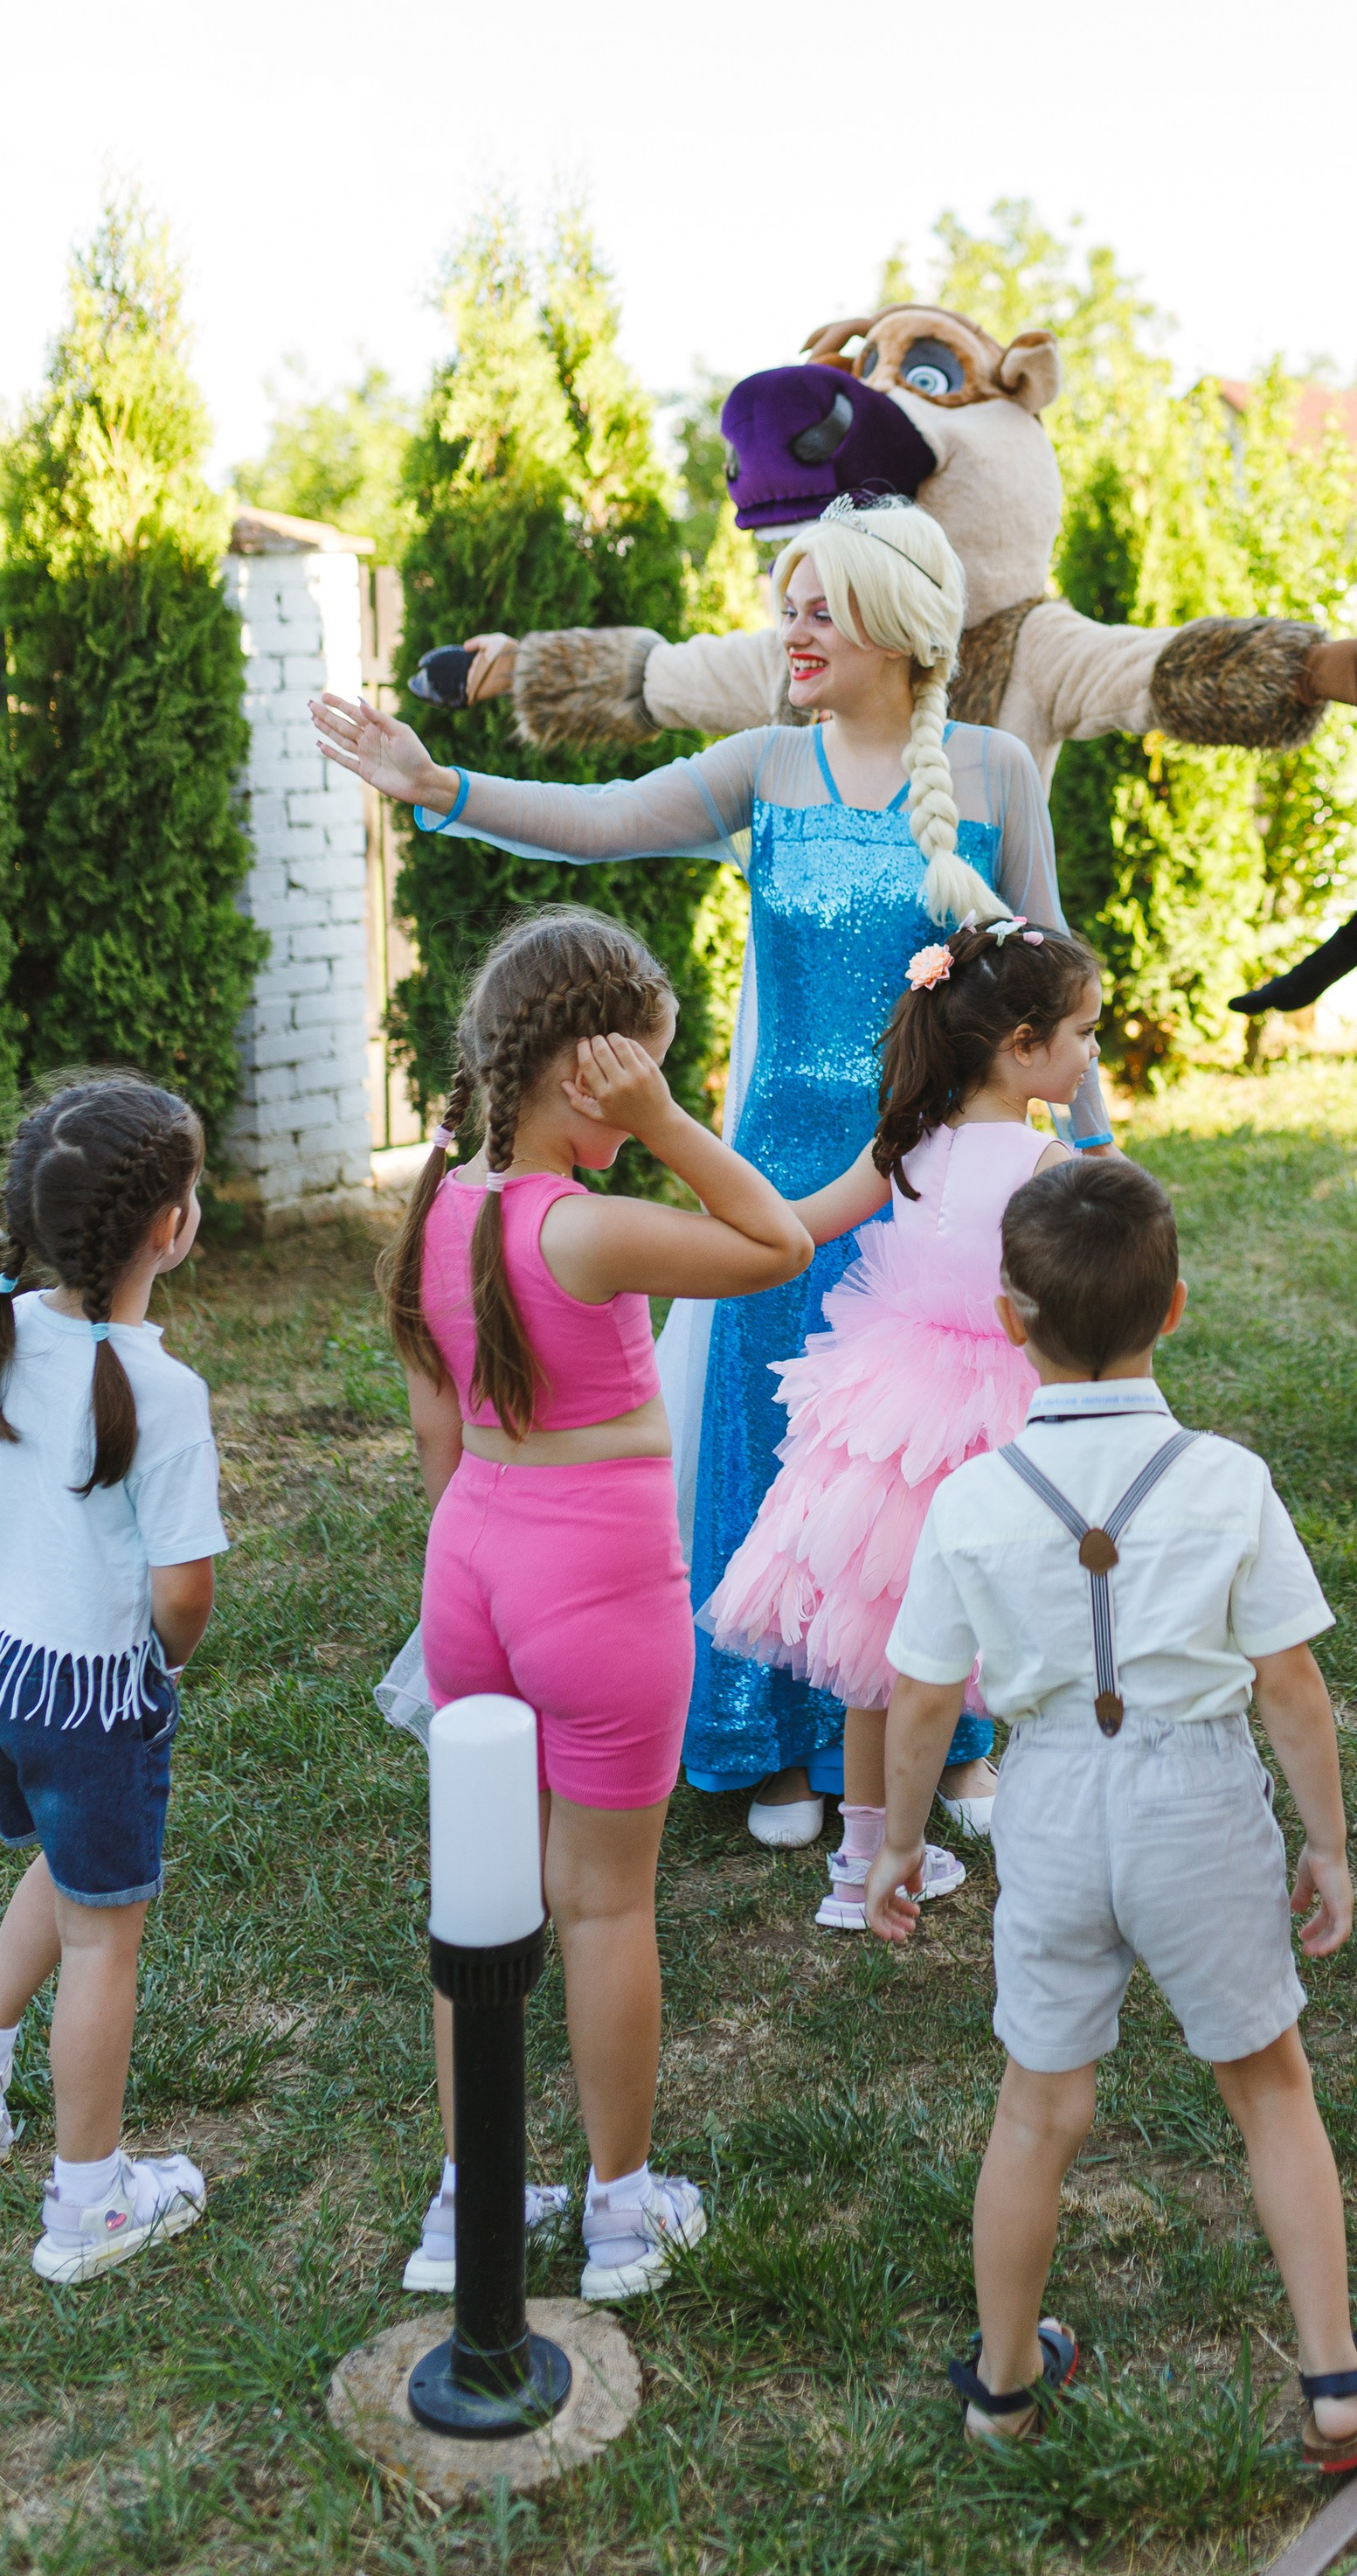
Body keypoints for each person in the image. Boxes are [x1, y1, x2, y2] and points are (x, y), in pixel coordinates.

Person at [312, 495, 1111, 1850]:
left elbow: (1052, 976)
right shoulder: (761, 769)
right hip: (783, 1169)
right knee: (777, 1436)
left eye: (817, 609)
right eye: (785, 605)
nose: (790, 632)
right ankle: (769, 1737)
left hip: (943, 1179)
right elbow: (602, 821)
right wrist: (433, 789)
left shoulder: (994, 776)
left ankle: (953, 1725)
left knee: (932, 1448)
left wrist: (1093, 1159)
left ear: (896, 629)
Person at [862, 1151, 1357, 2477]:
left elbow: (923, 1694)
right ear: (1176, 1307)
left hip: (1047, 1804)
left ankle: (1003, 2388)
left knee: (1036, 2109)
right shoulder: (1226, 1479)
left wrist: (898, 1843)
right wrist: (1329, 1845)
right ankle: (1338, 2384)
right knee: (1269, 2087)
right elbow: (1290, 1684)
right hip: (1198, 1800)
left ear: (1010, 1315)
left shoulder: (971, 1501)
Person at [378, 906, 810, 2303]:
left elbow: (441, 1445)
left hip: (474, 1570)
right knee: (605, 1907)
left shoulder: (440, 1205)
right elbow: (776, 1241)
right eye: (631, 1082)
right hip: (600, 1582)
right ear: (590, 1071)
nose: (634, 1116)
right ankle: (622, 2213)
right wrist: (676, 1122)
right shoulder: (593, 1229)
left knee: (484, 1903)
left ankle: (468, 2198)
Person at [703, 917, 1104, 1929]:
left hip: (887, 1405)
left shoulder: (906, 1143)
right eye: (1085, 1035)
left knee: (877, 1645)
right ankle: (1053, 1834)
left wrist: (709, 1211)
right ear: (1024, 1047)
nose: (1092, 1053)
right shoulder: (1049, 1164)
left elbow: (800, 1224)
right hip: (992, 1418)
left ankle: (868, 1862)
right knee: (1034, 1635)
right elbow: (1118, 1264)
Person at [0, 1077, 225, 2281]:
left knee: (63, 1858)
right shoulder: (167, 1396)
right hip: (92, 1694)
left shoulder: (7, 1329)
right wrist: (166, 1662)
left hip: (4, 1666)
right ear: (167, 1227)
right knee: (102, 1937)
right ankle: (89, 2206)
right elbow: (181, 1596)